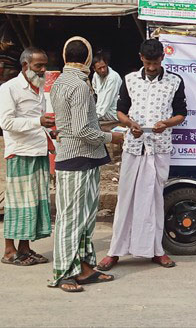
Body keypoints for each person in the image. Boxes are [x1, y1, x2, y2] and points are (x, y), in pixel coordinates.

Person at [98, 39, 187, 271]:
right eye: (148, 63)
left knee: (155, 199)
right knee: (126, 199)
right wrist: (130, 124)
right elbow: (120, 111)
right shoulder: (129, 80)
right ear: (141, 58)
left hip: (159, 146)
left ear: (162, 59)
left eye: (155, 63)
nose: (151, 67)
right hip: (134, 146)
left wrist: (165, 124)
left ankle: (156, 251)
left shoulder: (174, 81)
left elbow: (181, 114)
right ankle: (114, 251)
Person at [49, 37, 123, 292]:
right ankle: (65, 273)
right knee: (71, 219)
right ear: (89, 59)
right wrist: (112, 136)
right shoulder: (79, 86)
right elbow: (82, 129)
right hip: (76, 156)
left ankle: (84, 267)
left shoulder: (61, 81)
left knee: (84, 218)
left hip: (83, 156)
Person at [0, 47, 55, 267]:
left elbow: (41, 120)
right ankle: (9, 250)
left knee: (32, 204)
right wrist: (38, 123)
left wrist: (50, 132)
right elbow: (6, 123)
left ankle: (25, 248)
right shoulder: (9, 89)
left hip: (38, 150)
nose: (42, 70)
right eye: (38, 66)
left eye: (44, 65)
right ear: (25, 66)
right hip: (20, 152)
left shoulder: (40, 89)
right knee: (17, 204)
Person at [91, 50, 122, 123]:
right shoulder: (95, 75)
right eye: (99, 68)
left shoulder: (113, 77)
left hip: (113, 112)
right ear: (94, 69)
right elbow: (97, 92)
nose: (102, 70)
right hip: (101, 110)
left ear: (107, 64)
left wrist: (93, 117)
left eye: (104, 67)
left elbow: (106, 103)